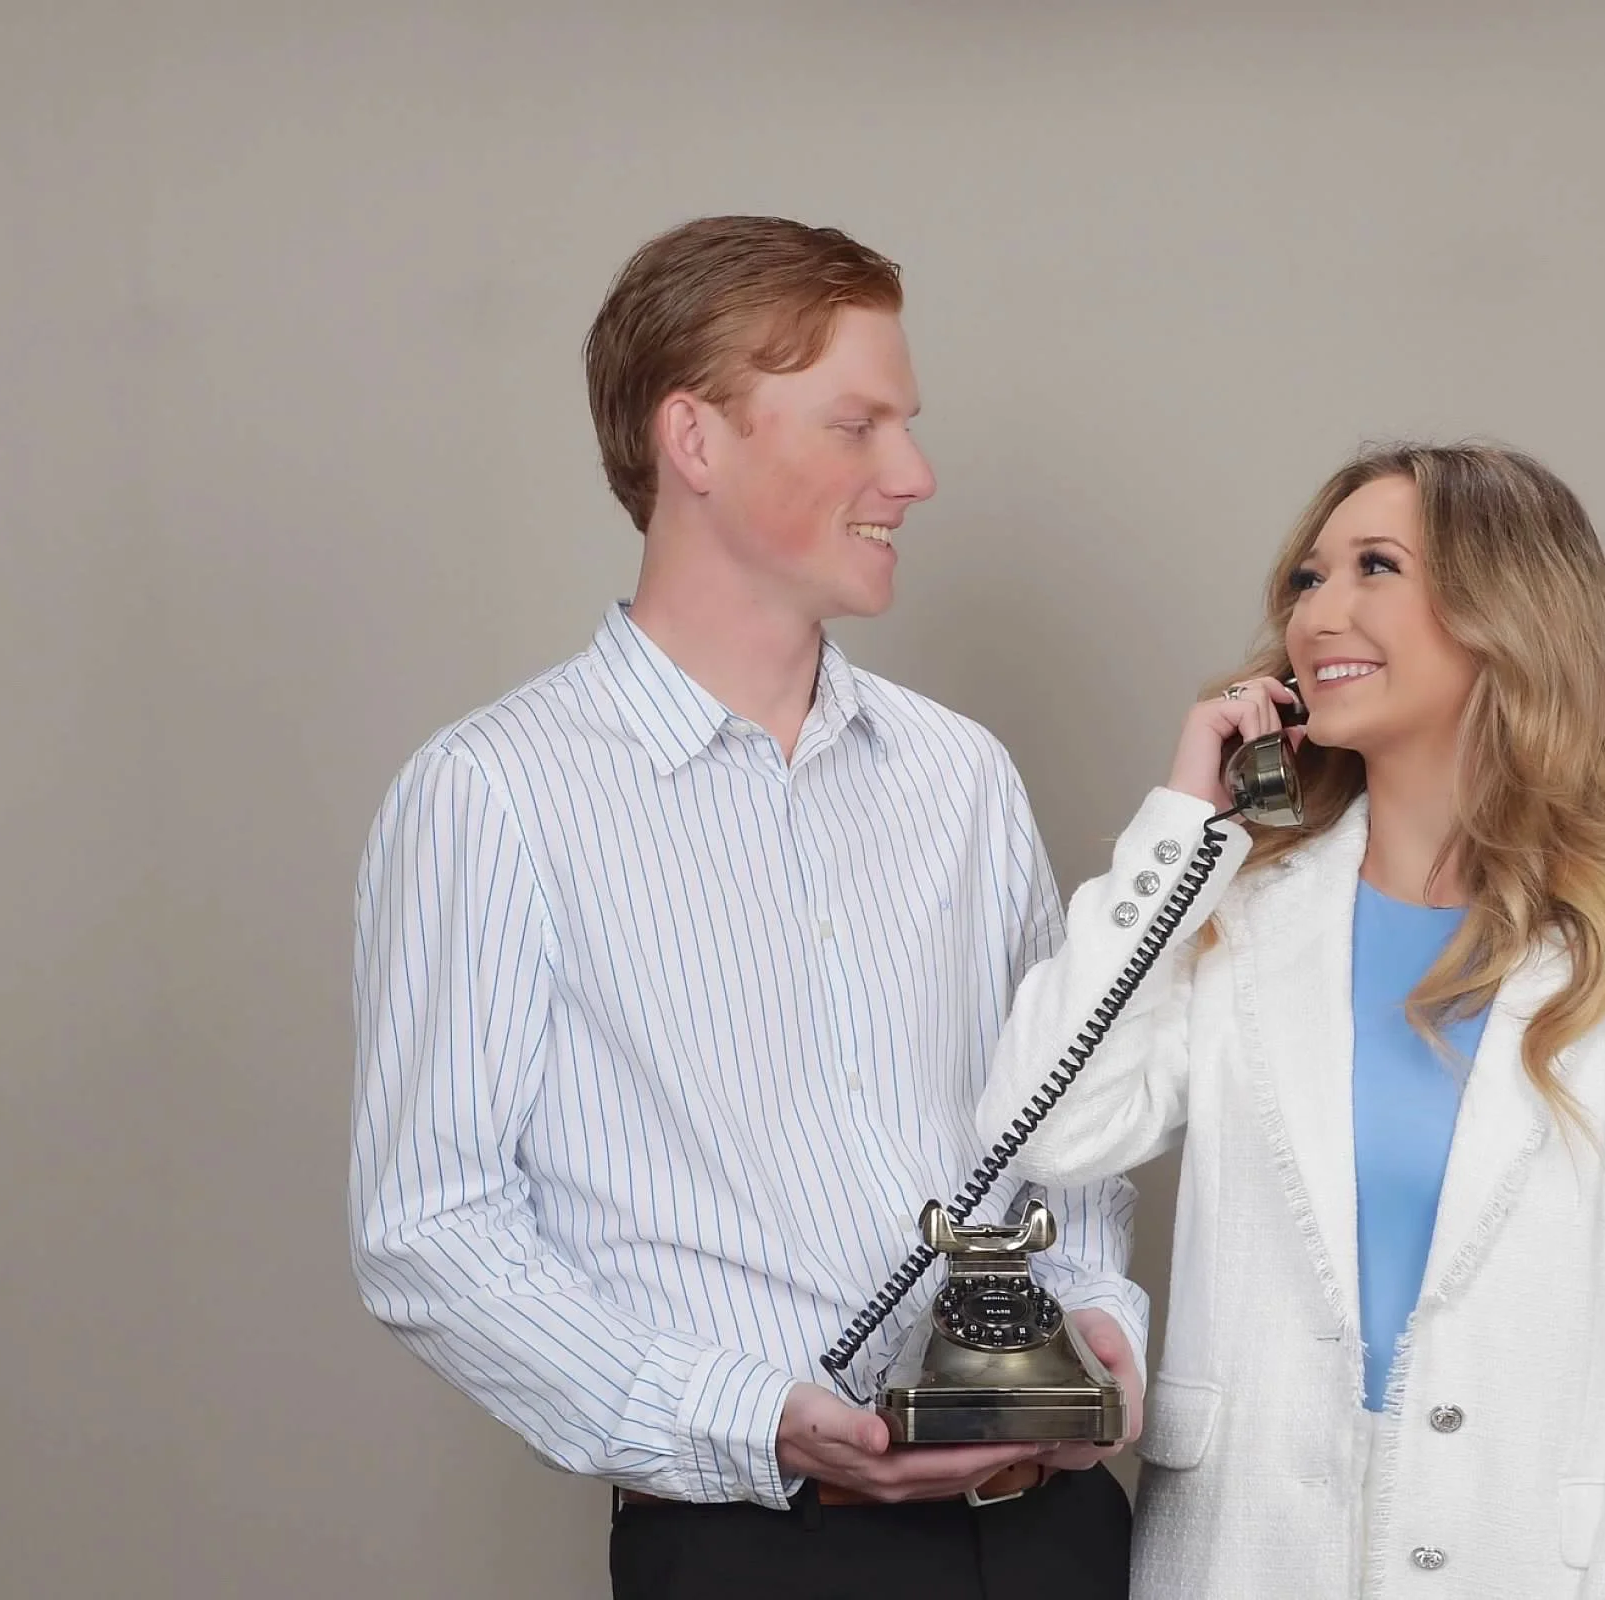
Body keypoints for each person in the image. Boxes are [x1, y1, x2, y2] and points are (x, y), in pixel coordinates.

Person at [348, 215, 1147, 1600]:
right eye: (857, 425)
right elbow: (433, 1225)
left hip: (1056, 1540)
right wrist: (746, 1418)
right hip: (757, 1555)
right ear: (694, 441)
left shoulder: (959, 774)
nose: (914, 473)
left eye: (907, 425)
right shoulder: (492, 795)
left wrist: (1092, 1321)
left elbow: (1060, 1125)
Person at [975, 443, 1605, 1598]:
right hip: (1237, 1561)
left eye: (1375, 566)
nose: (1317, 614)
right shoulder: (1238, 912)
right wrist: (1180, 826)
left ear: (1508, 610)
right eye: (1308, 578)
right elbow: (1045, 1128)